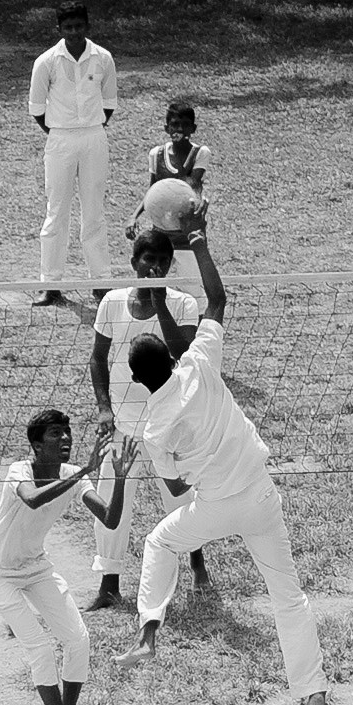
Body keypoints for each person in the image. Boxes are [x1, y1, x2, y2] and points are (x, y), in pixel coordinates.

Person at [114, 229, 330, 705]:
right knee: (288, 596)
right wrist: (197, 245)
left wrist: (198, 478)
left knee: (158, 543)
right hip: (260, 495)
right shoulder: (199, 364)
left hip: (213, 505)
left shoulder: (153, 428)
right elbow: (218, 298)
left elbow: (172, 491)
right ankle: (312, 690)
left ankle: (148, 633)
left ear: (137, 380)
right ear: (170, 358)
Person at [0, 409, 127, 705]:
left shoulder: (74, 475)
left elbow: (110, 518)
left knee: (78, 641)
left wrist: (118, 479)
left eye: (67, 433)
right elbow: (32, 498)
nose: (65, 439)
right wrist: (86, 470)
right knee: (41, 650)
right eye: (55, 434)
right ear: (35, 445)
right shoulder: (19, 471)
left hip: (36, 567)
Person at [76, 228, 212, 611]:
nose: (155, 267)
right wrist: (104, 408)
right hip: (124, 425)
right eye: (148, 260)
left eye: (163, 261)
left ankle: (196, 561)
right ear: (134, 262)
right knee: (112, 498)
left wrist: (160, 302)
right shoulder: (112, 303)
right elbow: (97, 358)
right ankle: (109, 583)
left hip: (170, 425)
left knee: (180, 497)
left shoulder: (183, 304)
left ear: (170, 265)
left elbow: (183, 352)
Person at [27, 2, 118, 308]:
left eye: (79, 26)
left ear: (87, 26)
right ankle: (50, 285)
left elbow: (109, 103)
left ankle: (101, 282)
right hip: (60, 139)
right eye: (69, 28)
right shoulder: (46, 62)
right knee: (57, 212)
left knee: (94, 210)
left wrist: (89, 127)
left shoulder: (103, 58)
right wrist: (60, 130)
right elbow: (37, 109)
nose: (75, 32)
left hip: (94, 137)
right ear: (60, 30)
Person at [124, 99, 211, 294]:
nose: (179, 128)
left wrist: (180, 157)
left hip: (187, 234)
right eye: (174, 124)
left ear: (193, 128)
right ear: (166, 127)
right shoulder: (156, 154)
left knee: (194, 289)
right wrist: (134, 216)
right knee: (153, 285)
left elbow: (191, 185)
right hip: (161, 234)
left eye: (185, 124)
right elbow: (153, 191)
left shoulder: (200, 153)